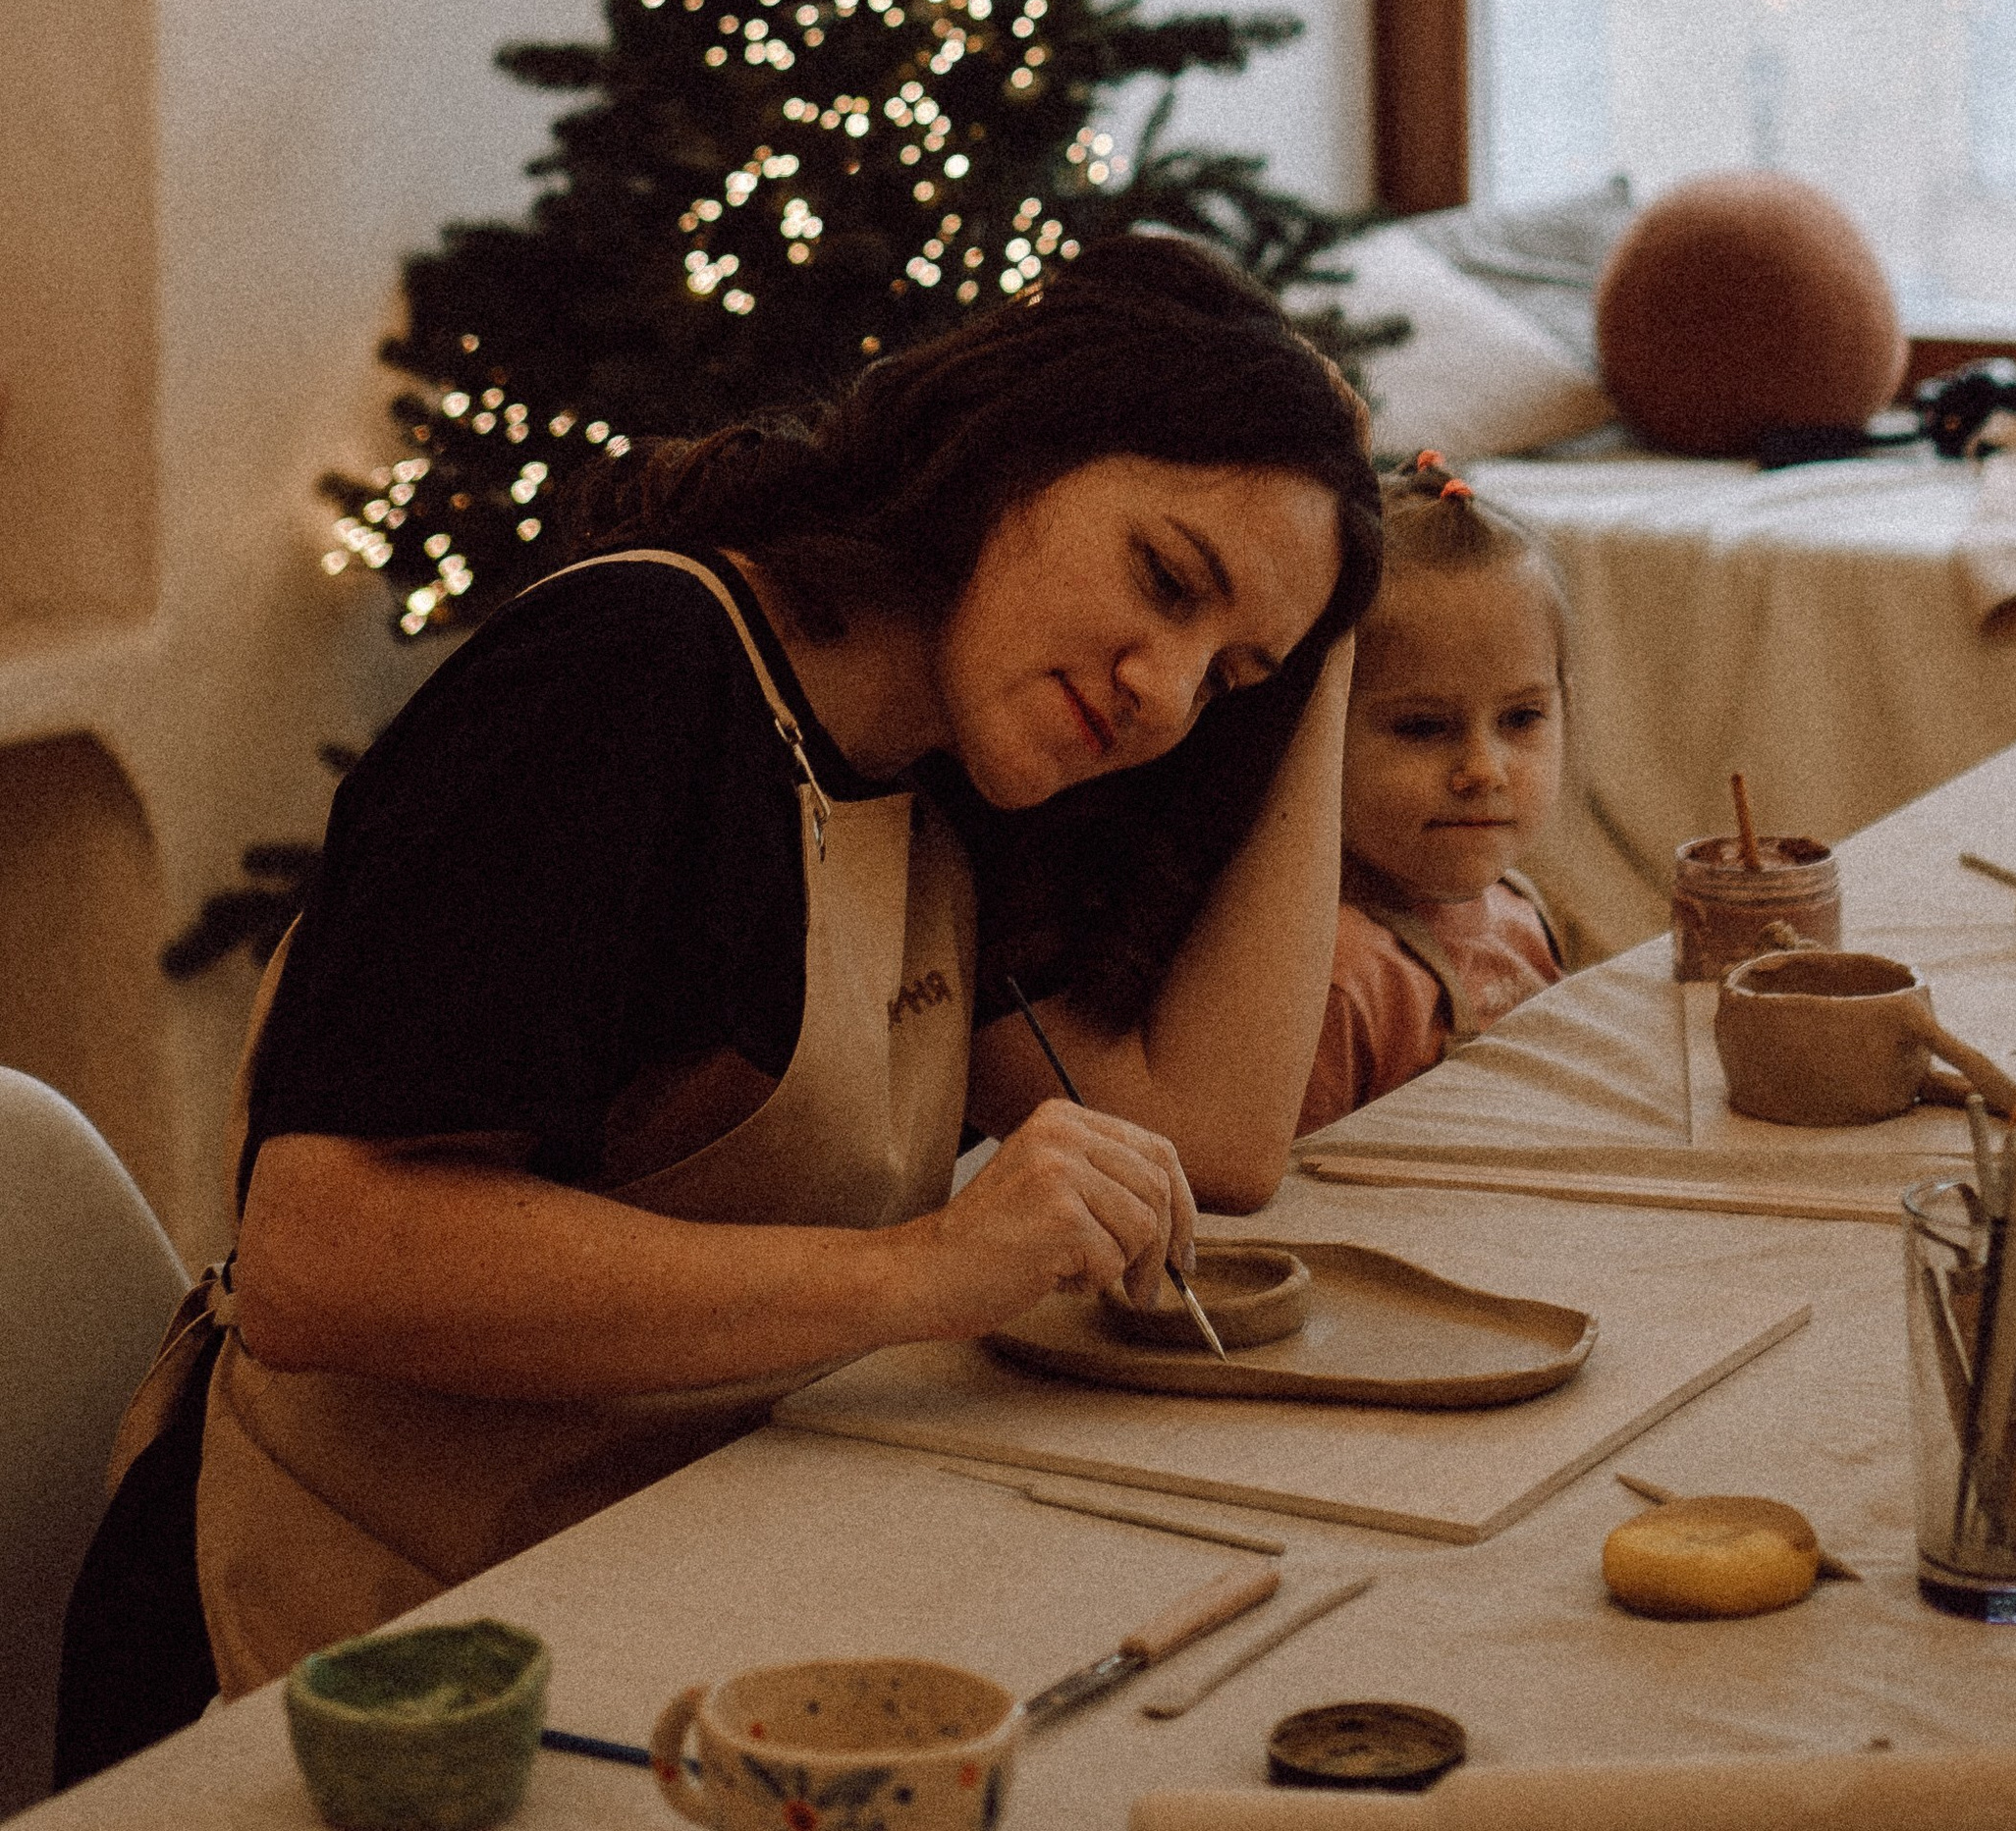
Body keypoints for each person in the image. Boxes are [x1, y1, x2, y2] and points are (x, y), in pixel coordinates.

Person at [57, 237, 1379, 1778]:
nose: (1166, 693)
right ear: (1010, 451)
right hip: (344, 1673)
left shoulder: (936, 776)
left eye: (1226, 678)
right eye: (1166, 578)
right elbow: (319, 1252)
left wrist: (1331, 619)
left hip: (646, 1597)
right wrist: (923, 1271)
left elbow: (1213, 1135)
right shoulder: (632, 677)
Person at [1297, 457, 1568, 1135]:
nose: (1483, 769)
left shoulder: (1518, 907)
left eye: (1521, 718)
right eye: (1423, 727)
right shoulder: (1336, 977)